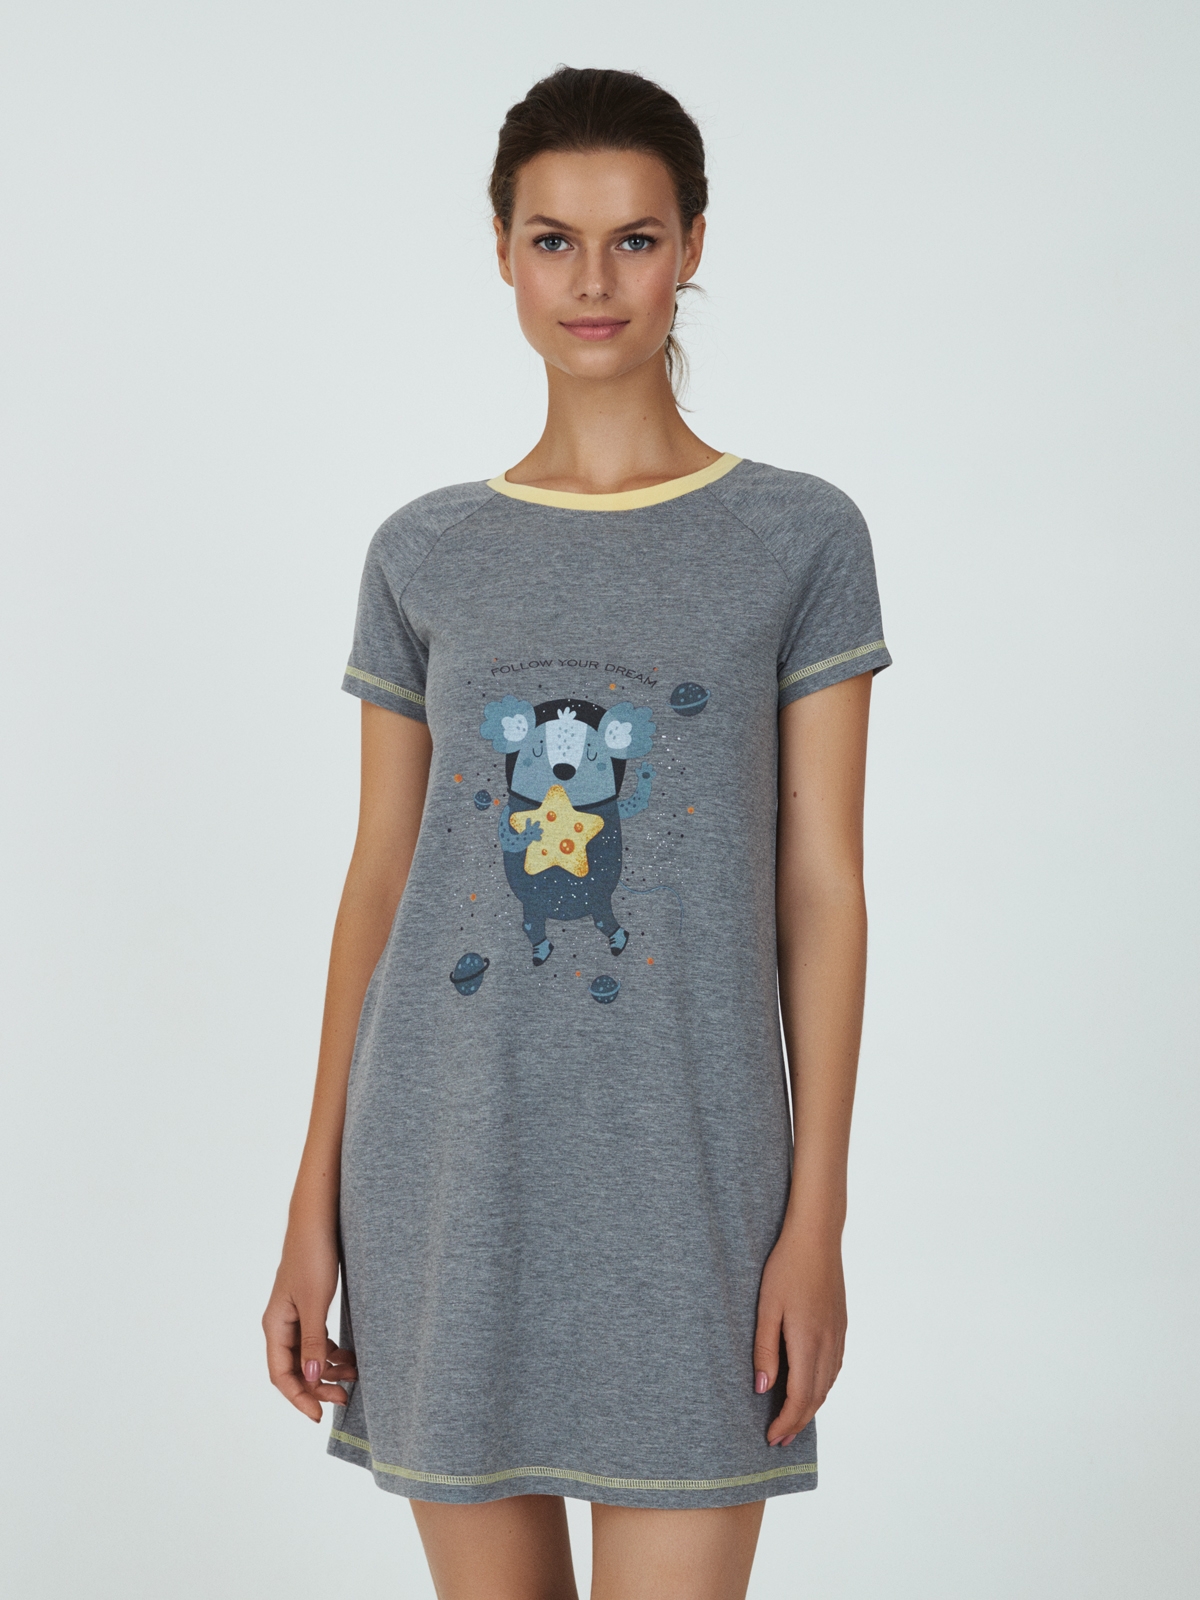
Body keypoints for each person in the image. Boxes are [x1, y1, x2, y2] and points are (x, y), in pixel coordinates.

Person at [263, 65, 890, 1600]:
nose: (592, 282)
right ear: (501, 251)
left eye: (634, 239)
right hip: (447, 1172)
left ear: (692, 247)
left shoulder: (799, 537)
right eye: (553, 240)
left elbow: (822, 889)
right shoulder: (424, 552)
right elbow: (381, 881)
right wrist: (307, 1207)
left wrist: (816, 1218)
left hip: (695, 1185)